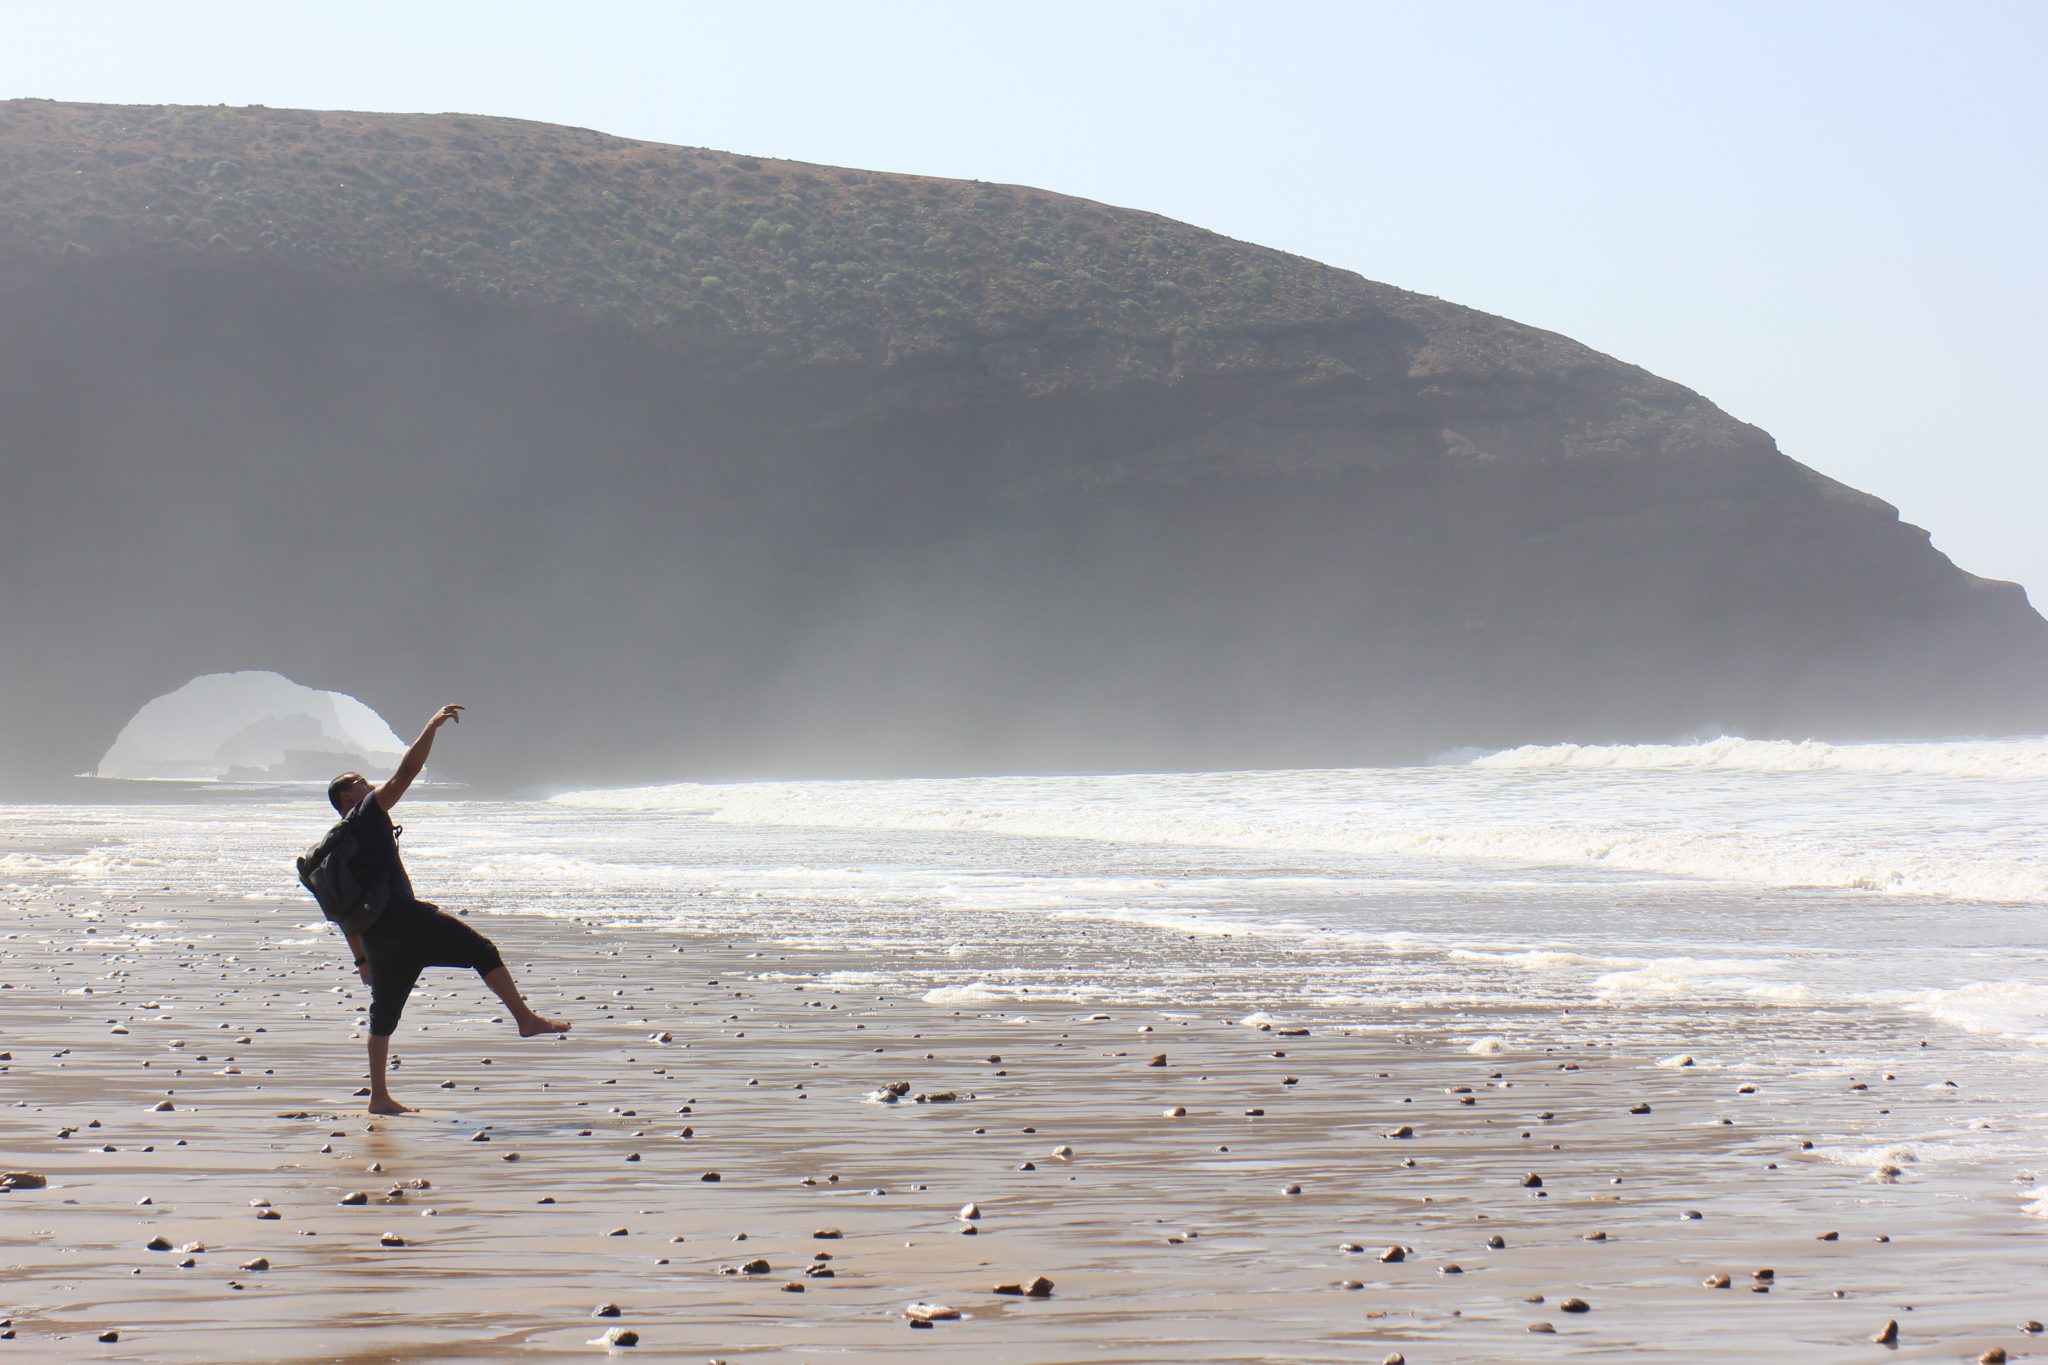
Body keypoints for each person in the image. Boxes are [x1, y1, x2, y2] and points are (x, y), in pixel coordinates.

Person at [325, 703, 568, 1114]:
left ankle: (379, 1098)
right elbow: (406, 773)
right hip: (408, 921)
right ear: (347, 797)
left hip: (378, 937)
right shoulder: (365, 815)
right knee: (482, 951)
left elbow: (341, 908)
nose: (369, 786)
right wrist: (431, 726)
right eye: (360, 783)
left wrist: (362, 958)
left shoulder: (338, 841)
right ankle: (525, 1019)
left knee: (382, 1017)